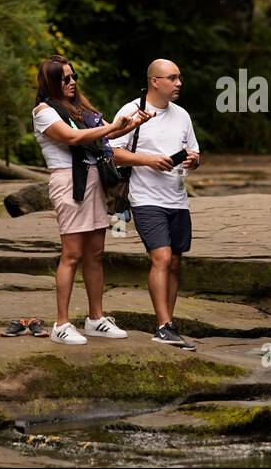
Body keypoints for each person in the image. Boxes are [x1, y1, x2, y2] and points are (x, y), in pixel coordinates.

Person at [33, 55, 152, 344]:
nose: (72, 82)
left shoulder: (81, 109)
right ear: (51, 81)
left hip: (96, 180)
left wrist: (134, 122)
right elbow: (74, 138)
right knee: (72, 254)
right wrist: (113, 127)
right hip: (69, 181)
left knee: (95, 253)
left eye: (73, 76)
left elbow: (107, 137)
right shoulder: (44, 111)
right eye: (65, 78)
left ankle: (95, 318)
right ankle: (61, 324)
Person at [111, 59, 201, 350]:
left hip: (177, 199)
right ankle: (163, 326)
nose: (179, 83)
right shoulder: (131, 111)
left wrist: (193, 160)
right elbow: (112, 152)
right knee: (161, 258)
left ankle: (168, 323)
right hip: (145, 197)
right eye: (172, 78)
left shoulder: (182, 115)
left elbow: (194, 152)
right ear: (154, 81)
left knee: (175, 263)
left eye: (179, 77)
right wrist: (149, 160)